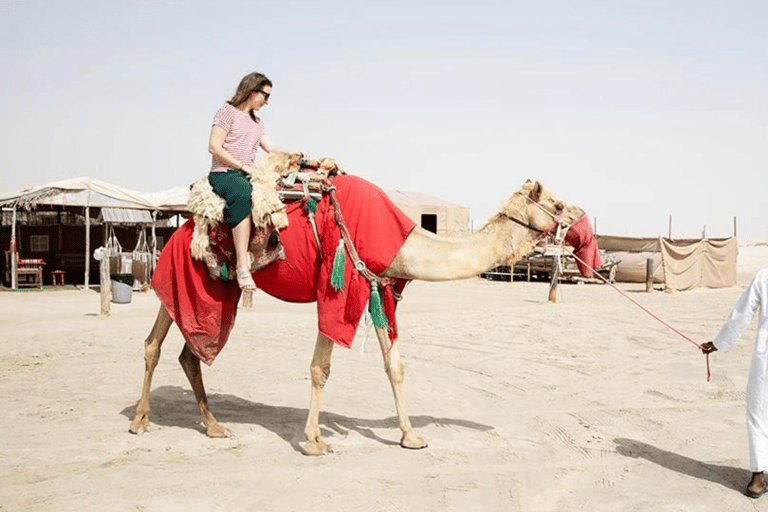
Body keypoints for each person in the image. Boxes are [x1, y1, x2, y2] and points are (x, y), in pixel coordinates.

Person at [207, 71, 299, 291]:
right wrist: (241, 166)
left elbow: (271, 147)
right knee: (243, 193)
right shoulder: (226, 112)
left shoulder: (257, 123)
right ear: (251, 90)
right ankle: (241, 265)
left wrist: (293, 154)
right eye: (265, 96)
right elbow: (213, 146)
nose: (267, 102)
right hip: (225, 173)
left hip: (246, 174)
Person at [701, 268, 768, 499]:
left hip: (766, 359)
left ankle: (758, 479)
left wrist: (719, 343)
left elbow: (741, 315)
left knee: (758, 414)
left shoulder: (764, 276)